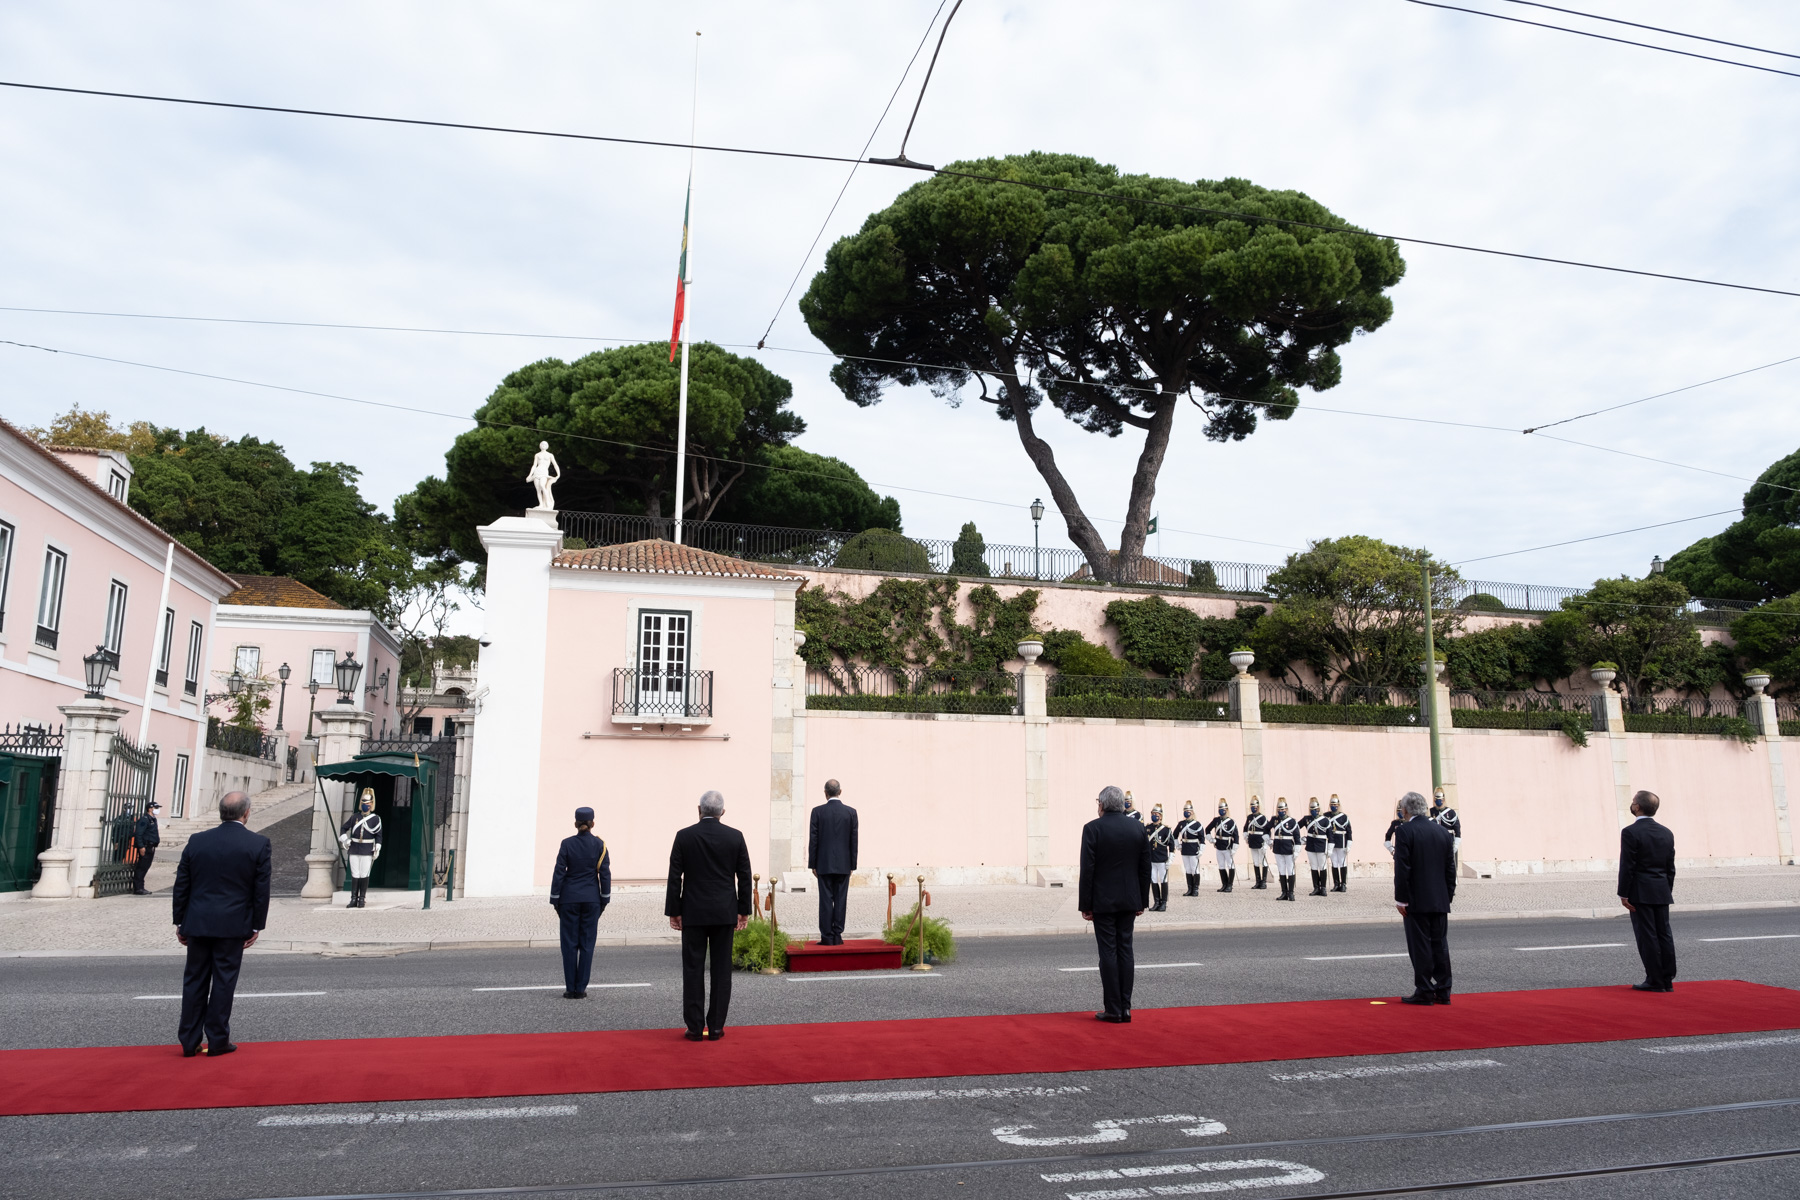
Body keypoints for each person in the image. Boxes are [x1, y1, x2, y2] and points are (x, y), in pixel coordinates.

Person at [171, 790, 271, 1057]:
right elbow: (261, 891)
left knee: (194, 980)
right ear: (246, 813)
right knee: (224, 981)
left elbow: (182, 885)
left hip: (199, 922)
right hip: (233, 924)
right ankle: (217, 1039)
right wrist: (256, 925)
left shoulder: (197, 841)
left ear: (220, 812)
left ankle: (189, 1041)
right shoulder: (258, 844)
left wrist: (180, 921)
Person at [665, 790, 752, 1041]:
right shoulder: (735, 837)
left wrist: (675, 910)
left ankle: (694, 1028)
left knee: (693, 969)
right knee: (722, 971)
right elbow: (744, 876)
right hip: (724, 911)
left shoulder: (684, 836)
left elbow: (674, 877)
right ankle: (715, 1027)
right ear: (722, 812)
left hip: (693, 911)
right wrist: (743, 910)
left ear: (698, 809)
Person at [1079, 785, 1151, 1023]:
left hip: (1103, 901)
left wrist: (1085, 905)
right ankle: (1126, 1007)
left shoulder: (1092, 829)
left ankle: (1113, 1009)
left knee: (1108, 952)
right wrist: (1142, 900)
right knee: (1126, 950)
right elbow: (1144, 869)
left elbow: (1087, 870)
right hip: (1130, 900)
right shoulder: (1138, 828)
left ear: (1102, 804)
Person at [1392, 790, 1456, 1005]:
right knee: (1440, 945)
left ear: (1406, 810)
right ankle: (1444, 990)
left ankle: (1425, 991)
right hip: (1439, 899)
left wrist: (1401, 899)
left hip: (1416, 900)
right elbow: (1450, 868)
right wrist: (1448, 895)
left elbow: (1403, 868)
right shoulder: (1442, 832)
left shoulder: (1404, 831)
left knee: (1420, 946)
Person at [550, 806, 612, 999]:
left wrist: (555, 899)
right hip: (591, 899)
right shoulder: (599, 845)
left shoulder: (566, 844)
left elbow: (560, 871)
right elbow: (605, 874)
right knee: (586, 944)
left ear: (575, 824)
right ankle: (581, 988)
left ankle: (570, 988)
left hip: (569, 899)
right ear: (593, 823)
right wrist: (605, 899)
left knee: (569, 944)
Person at [1619, 789, 1677, 992]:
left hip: (1640, 892)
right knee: (1664, 934)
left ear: (1637, 807)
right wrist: (1665, 889)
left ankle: (1654, 980)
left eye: (1634, 801)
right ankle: (1667, 979)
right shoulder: (1666, 832)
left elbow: (1628, 865)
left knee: (1647, 936)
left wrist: (1623, 893)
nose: (1632, 804)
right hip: (1661, 890)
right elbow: (1670, 867)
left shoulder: (1630, 832)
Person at [808, 778, 858, 945]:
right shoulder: (851, 812)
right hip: (844, 864)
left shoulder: (817, 812)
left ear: (825, 793)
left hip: (823, 863)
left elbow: (813, 839)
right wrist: (852, 864)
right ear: (840, 792)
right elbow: (854, 840)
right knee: (841, 899)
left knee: (825, 900)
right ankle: (838, 935)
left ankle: (827, 936)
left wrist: (813, 864)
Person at [338, 788, 383, 908]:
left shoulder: (375, 819)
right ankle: (353, 898)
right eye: (364, 802)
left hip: (367, 849)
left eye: (367, 803)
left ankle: (362, 899)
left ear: (371, 804)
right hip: (354, 847)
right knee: (355, 874)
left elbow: (378, 835)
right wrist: (345, 840)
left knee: (364, 874)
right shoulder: (355, 817)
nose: (365, 805)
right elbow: (343, 828)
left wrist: (377, 847)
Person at [1145, 805, 1175, 911]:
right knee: (1153, 880)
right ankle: (1156, 902)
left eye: (1156, 815)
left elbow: (1171, 845)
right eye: (1152, 814)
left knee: (1163, 880)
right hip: (1151, 859)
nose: (1154, 816)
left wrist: (1170, 858)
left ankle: (1163, 903)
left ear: (1161, 816)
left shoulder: (1166, 830)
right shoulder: (1148, 828)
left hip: (1162, 860)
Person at [1173, 802, 1206, 897]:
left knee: (1194, 869)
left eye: (1188, 811)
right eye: (1185, 811)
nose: (1186, 813)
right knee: (1187, 869)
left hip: (1194, 849)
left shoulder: (1197, 824)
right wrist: (1178, 845)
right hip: (1185, 848)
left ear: (1192, 812)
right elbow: (1174, 835)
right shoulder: (1181, 823)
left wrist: (1201, 850)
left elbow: (1202, 838)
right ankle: (1189, 888)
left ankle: (1195, 889)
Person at [1206, 800, 1240, 893]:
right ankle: (1224, 884)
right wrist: (1211, 839)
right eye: (1220, 809)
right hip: (1219, 845)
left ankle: (1230, 885)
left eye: (1223, 809)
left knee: (1230, 865)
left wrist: (1235, 848)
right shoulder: (1216, 820)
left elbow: (1236, 835)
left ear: (1227, 809)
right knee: (1221, 865)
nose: (1221, 810)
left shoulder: (1231, 822)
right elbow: (1207, 829)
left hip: (1228, 846)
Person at [1270, 798, 1300, 902]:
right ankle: (1284, 892)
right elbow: (1266, 829)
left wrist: (1297, 850)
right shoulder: (1274, 820)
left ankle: (1291, 893)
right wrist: (1268, 840)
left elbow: (1297, 837)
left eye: (1283, 809)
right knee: (1281, 870)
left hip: (1288, 849)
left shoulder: (1292, 821)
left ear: (1286, 810)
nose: (1281, 811)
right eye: (1279, 809)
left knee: (1290, 870)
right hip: (1278, 848)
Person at [130, 800, 162, 895]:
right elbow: (139, 834)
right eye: (156, 808)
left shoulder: (153, 819)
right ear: (150, 809)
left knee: (146, 867)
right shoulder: (145, 819)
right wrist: (141, 846)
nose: (157, 810)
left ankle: (141, 887)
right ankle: (138, 888)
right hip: (146, 846)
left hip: (151, 846)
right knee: (142, 867)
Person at [1302, 797, 1331, 897]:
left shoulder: (1325, 820)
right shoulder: (1307, 819)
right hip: (1310, 846)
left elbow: (1330, 835)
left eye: (1316, 809)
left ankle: (1323, 888)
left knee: (1322, 866)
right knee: (1314, 867)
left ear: (1319, 809)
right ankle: (1316, 887)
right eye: (1312, 810)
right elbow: (1295, 827)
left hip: (1321, 845)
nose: (1314, 811)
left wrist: (1330, 848)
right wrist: (1301, 839)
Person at [1327, 794, 1353, 893]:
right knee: (1334, 863)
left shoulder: (1344, 817)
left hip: (1341, 841)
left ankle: (1343, 884)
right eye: (1332, 804)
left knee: (1342, 863)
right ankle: (1336, 884)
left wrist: (1349, 844)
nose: (1334, 806)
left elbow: (1349, 831)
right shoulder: (1327, 816)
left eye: (1335, 804)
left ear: (1338, 805)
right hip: (1331, 842)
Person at [1430, 788, 1462, 869]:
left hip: (1448, 840)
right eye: (1436, 799)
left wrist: (1456, 844)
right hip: (1435, 841)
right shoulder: (1430, 811)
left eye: (1440, 799)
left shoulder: (1451, 812)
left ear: (1443, 799)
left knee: (1450, 866)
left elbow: (1457, 829)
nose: (1438, 801)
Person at [1244, 796, 1269, 890]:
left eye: (1255, 805)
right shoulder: (1250, 817)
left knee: (1263, 861)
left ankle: (1264, 881)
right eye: (1251, 805)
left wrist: (1266, 842)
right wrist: (1246, 836)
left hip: (1261, 840)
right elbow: (1245, 828)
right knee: (1255, 861)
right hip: (1252, 840)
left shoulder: (1263, 818)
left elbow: (1267, 830)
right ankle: (1258, 881)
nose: (1253, 807)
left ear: (1258, 806)